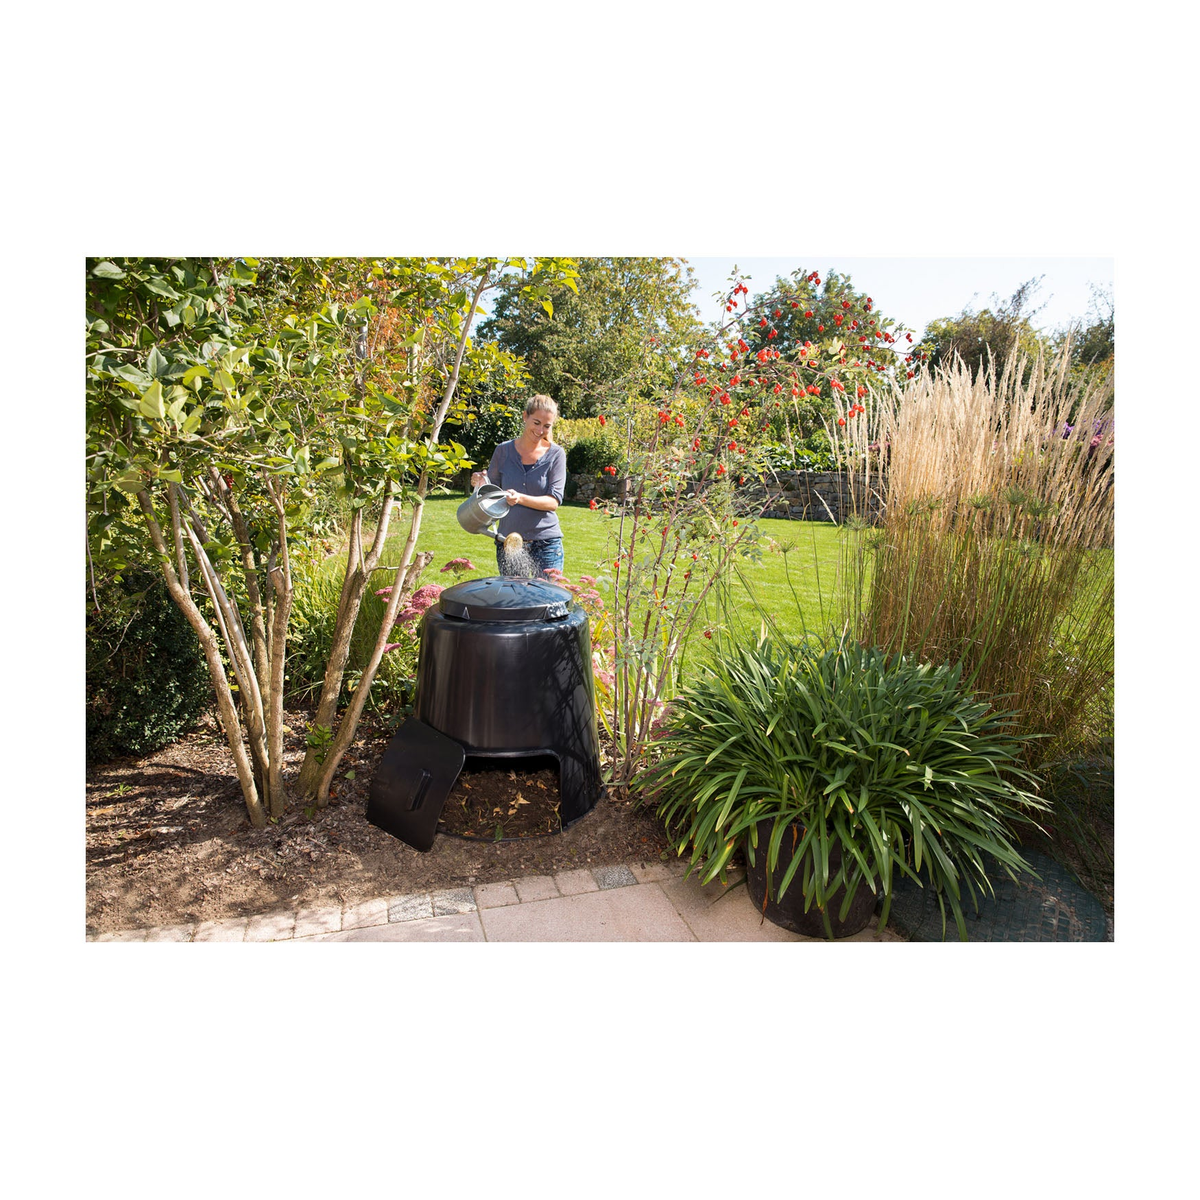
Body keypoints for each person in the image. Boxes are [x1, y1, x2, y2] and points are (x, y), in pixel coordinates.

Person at [470, 394, 567, 576]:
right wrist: (479, 481)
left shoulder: (556, 455)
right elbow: (491, 493)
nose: (540, 430)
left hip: (546, 544)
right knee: (514, 603)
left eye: (547, 426)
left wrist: (520, 498)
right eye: (536, 422)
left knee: (547, 603)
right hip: (510, 542)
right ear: (525, 416)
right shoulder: (503, 451)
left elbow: (553, 502)